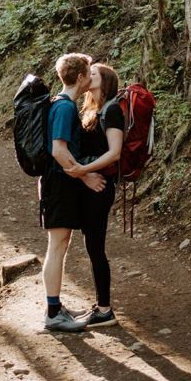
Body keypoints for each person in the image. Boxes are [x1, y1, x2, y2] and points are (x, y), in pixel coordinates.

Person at [40, 53, 106, 332]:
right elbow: (58, 150)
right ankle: (53, 313)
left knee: (61, 244)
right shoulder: (65, 107)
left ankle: (56, 307)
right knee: (57, 246)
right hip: (59, 184)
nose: (92, 77)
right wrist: (86, 175)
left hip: (61, 183)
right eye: (89, 72)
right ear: (79, 77)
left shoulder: (63, 104)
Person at [66, 61, 125, 327]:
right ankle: (101, 305)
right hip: (89, 185)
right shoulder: (91, 109)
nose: (87, 76)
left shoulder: (112, 109)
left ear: (106, 81)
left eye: (93, 74)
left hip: (100, 186)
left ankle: (105, 310)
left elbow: (115, 152)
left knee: (96, 248)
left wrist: (83, 171)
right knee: (92, 247)